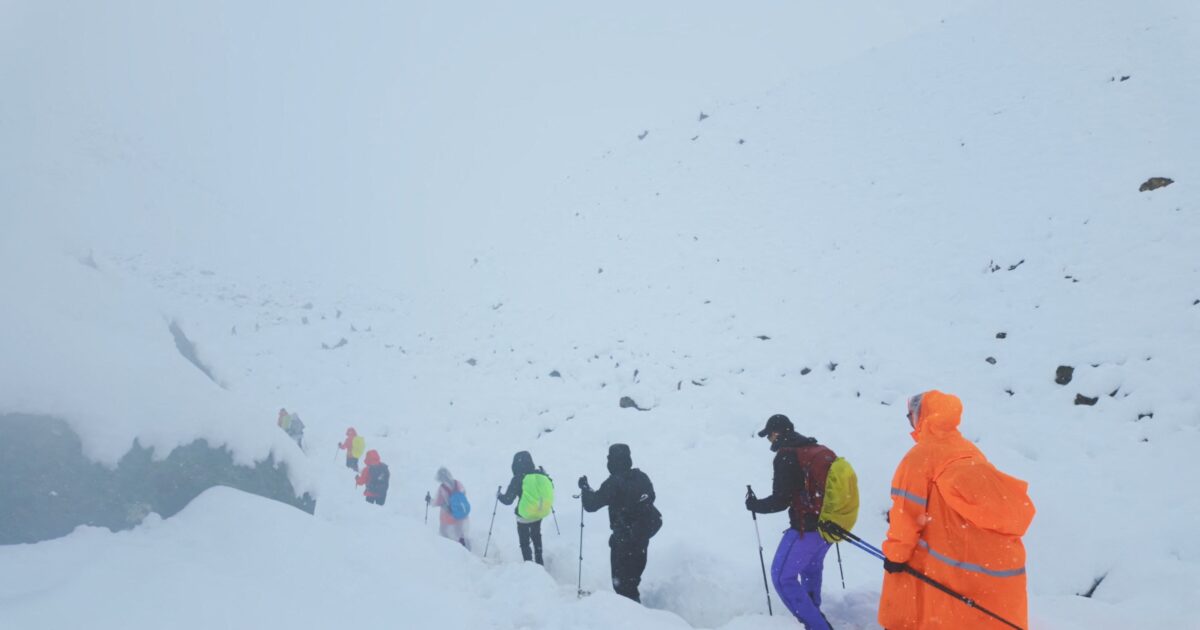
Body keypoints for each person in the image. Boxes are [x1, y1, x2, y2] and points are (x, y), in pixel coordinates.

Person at [878, 391, 1035, 630]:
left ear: (922, 417)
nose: (910, 422)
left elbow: (906, 516)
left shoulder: (919, 457)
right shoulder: (969, 450)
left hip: (947, 559)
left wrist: (896, 556)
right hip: (990, 560)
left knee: (936, 613)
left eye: (910, 416)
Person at [745, 414, 837, 630]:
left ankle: (817, 626)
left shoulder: (786, 455)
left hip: (807, 528)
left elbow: (781, 500)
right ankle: (814, 614)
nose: (770, 441)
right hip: (829, 526)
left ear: (776, 433)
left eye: (769, 436)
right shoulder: (814, 448)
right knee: (811, 569)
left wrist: (755, 505)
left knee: (781, 577)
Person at [578, 443, 662, 603]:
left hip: (624, 542)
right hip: (642, 538)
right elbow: (650, 497)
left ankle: (632, 615)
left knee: (623, 586)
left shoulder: (613, 483)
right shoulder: (641, 477)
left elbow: (592, 505)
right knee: (632, 582)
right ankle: (636, 612)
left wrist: (585, 488)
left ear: (612, 461)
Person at [497, 451, 553, 565]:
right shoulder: (540, 474)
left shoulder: (518, 478)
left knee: (524, 542)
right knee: (536, 535)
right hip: (539, 513)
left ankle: (529, 565)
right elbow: (550, 488)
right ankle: (539, 561)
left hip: (524, 516)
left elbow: (508, 500)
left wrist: (499, 495)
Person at [432, 467, 470, 548]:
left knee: (443, 532)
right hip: (461, 514)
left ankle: (448, 549)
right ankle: (465, 549)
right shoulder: (458, 483)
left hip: (448, 516)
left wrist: (430, 501)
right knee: (459, 533)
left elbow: (437, 502)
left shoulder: (442, 488)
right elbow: (464, 493)